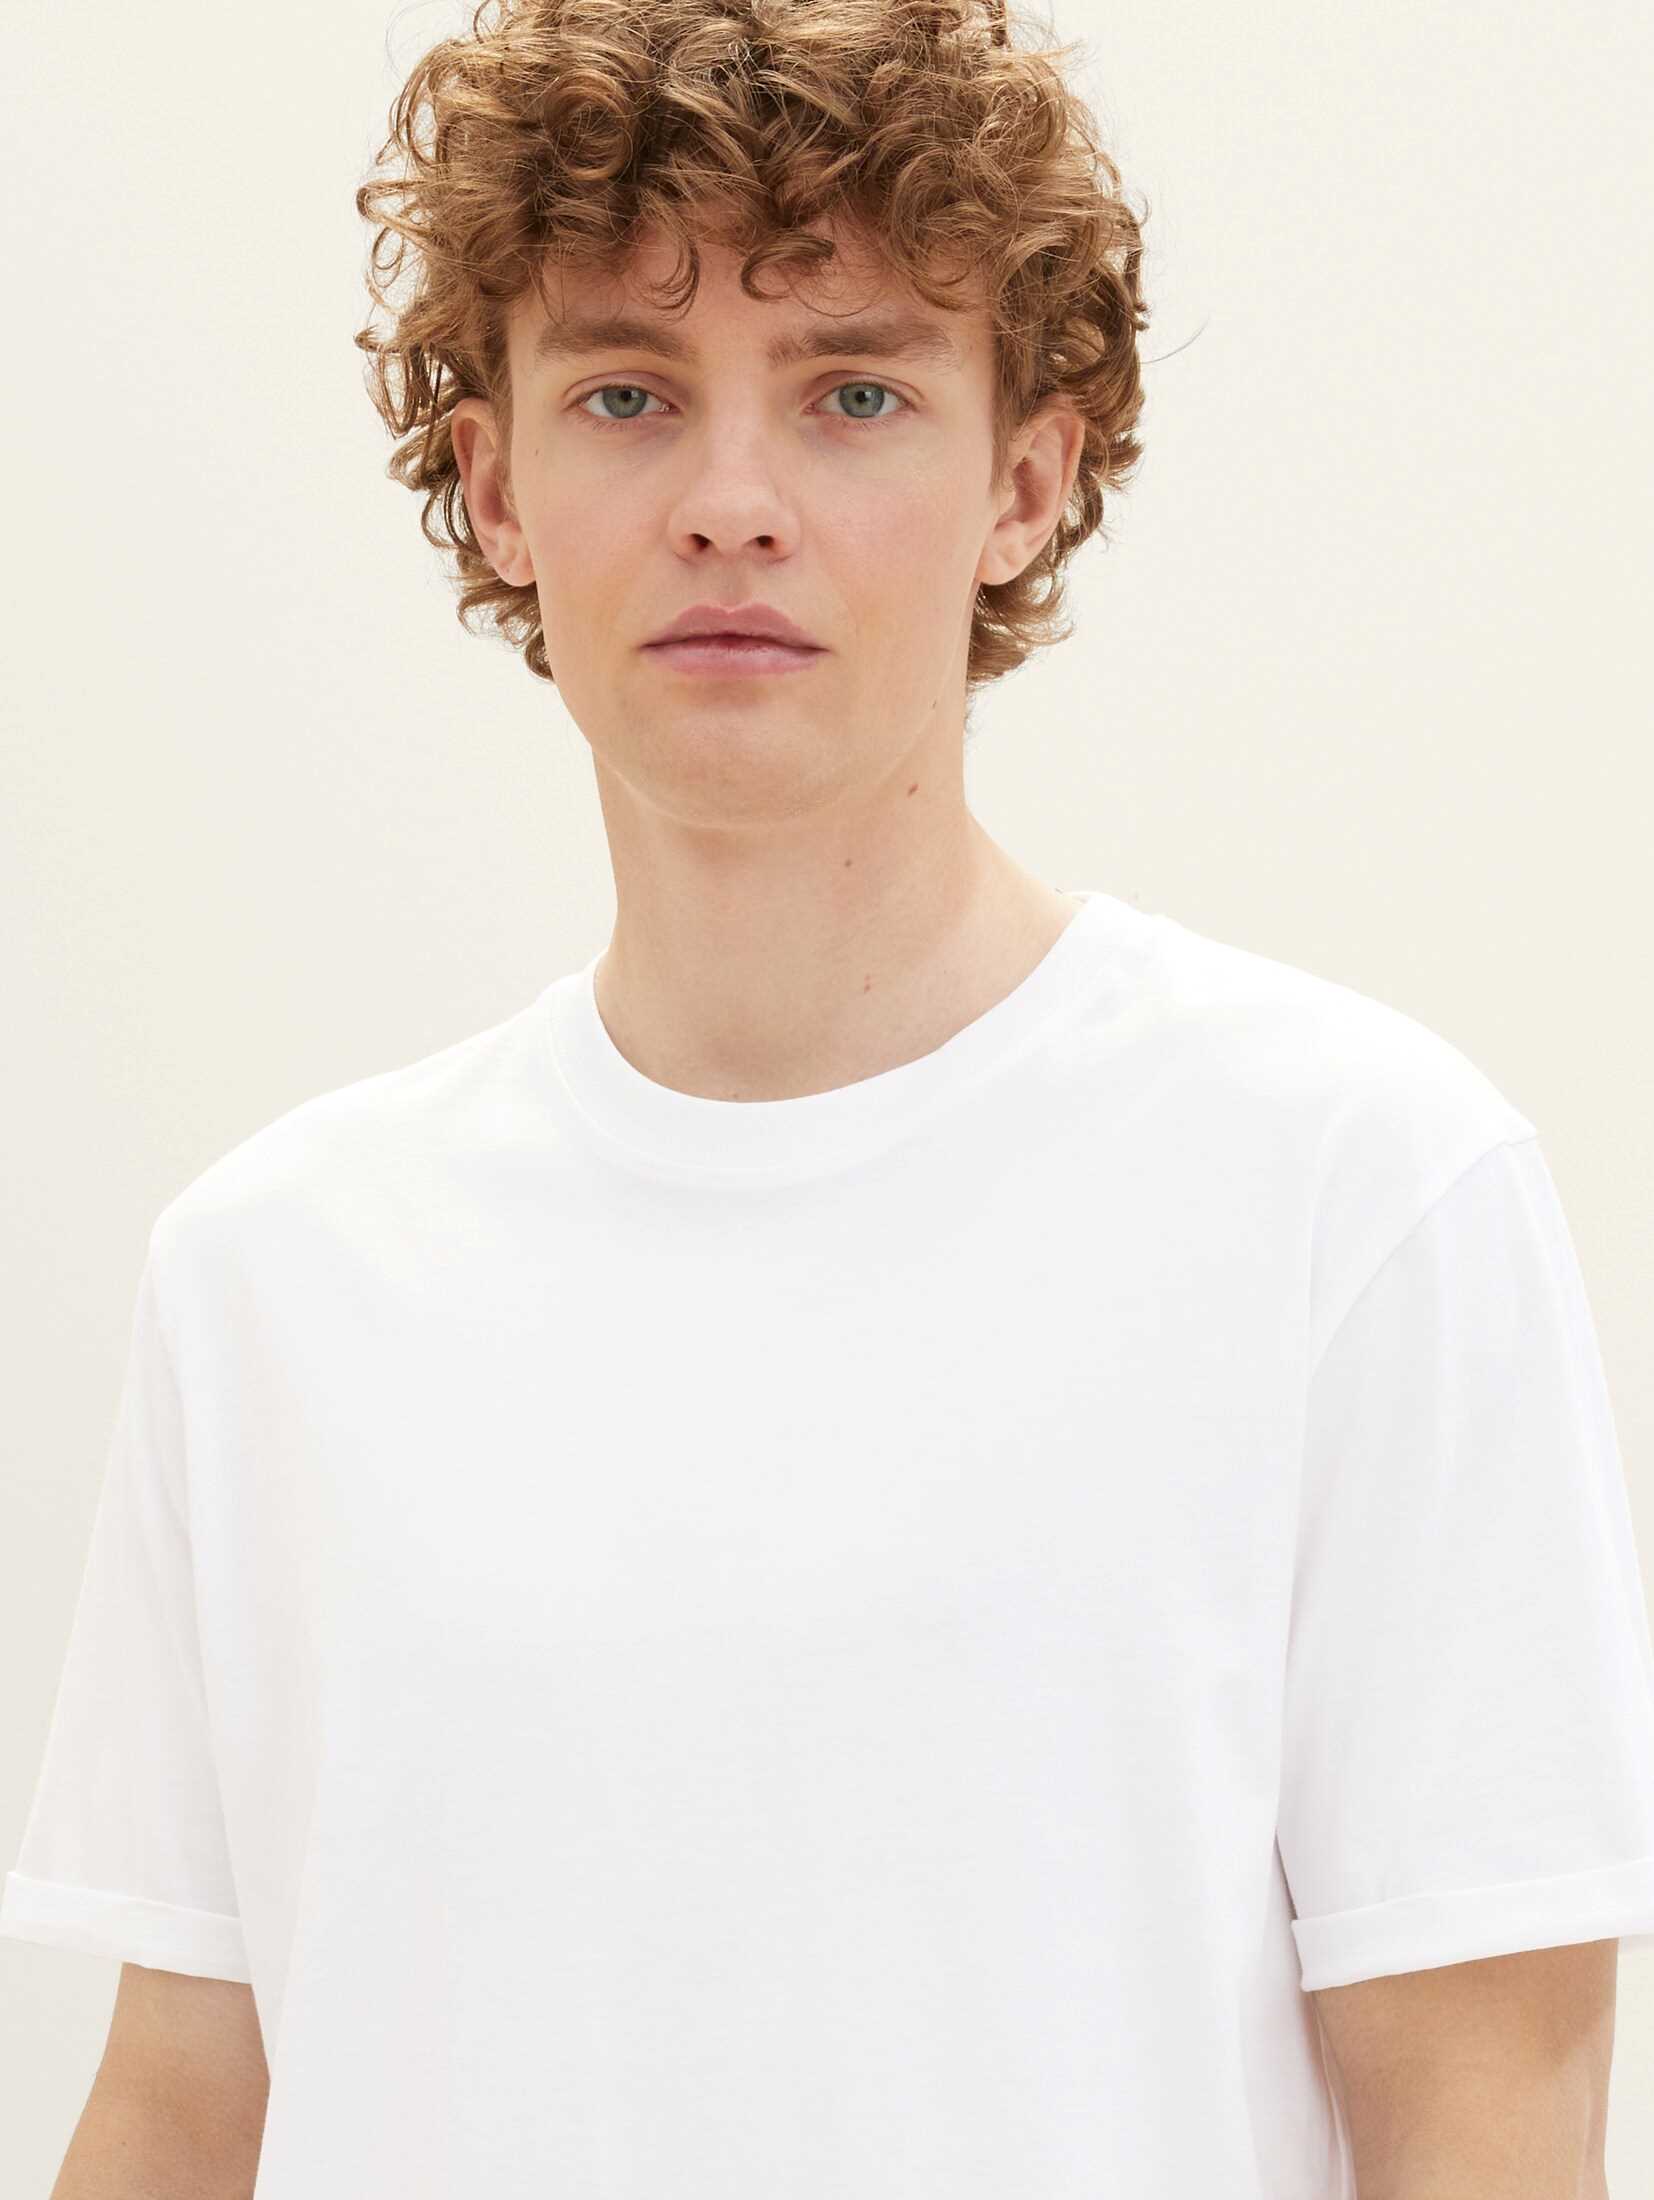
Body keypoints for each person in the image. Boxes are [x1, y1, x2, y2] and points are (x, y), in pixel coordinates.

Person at [6, 2, 1654, 2194]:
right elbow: (184, 2107)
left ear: (1024, 483)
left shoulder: (1355, 1195)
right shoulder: (272, 1274)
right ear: (495, 486)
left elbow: (1485, 2115)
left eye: (853, 393)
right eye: (625, 394)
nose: (729, 506)